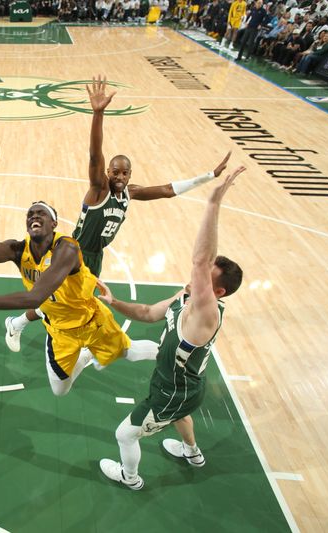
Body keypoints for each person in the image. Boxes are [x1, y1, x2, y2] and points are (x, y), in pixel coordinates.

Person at [4, 76, 231, 354]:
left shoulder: (130, 193)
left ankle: (34, 327)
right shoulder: (99, 189)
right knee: (58, 301)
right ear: (108, 173)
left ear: (130, 175)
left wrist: (209, 176)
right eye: (115, 171)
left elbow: (168, 190)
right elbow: (94, 154)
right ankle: (18, 324)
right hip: (72, 253)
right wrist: (98, 114)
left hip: (95, 256)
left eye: (124, 172)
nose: (119, 176)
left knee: (76, 302)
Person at [0, 166, 162, 397]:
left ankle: (173, 352)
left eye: (40, 213)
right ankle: (82, 354)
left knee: (132, 351)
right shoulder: (18, 251)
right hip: (59, 329)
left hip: (91, 321)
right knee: (59, 391)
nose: (34, 216)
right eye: (30, 214)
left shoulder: (67, 248)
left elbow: (35, 297)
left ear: (54, 224)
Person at [97, 166, 245, 490]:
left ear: (217, 292)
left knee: (125, 434)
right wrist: (115, 302)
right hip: (184, 388)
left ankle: (130, 477)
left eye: (207, 277)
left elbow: (200, 260)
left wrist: (213, 204)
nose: (197, 276)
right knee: (181, 415)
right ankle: (193, 453)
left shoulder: (206, 315)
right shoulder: (187, 295)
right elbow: (150, 312)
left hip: (172, 394)